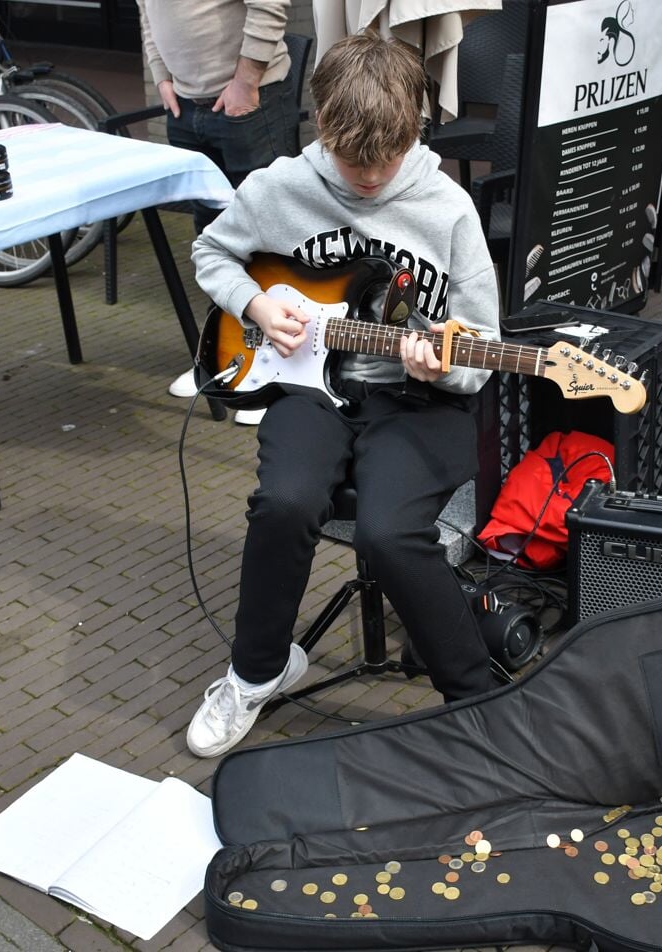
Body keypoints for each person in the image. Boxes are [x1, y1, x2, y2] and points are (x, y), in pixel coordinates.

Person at [186, 30, 502, 758]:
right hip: (310, 387)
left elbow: (480, 345)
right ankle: (256, 672)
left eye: (386, 159)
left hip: (418, 403)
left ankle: (477, 704)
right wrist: (257, 308)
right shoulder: (278, 188)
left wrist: (440, 366)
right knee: (283, 503)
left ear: (414, 131)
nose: (369, 176)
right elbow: (212, 251)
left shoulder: (447, 209)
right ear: (322, 127)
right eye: (352, 159)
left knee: (388, 533)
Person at [133, 0, 301, 402]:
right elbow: (147, 13)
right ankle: (223, 358)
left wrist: (246, 81)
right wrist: (161, 78)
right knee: (211, 239)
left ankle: (285, 377)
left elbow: (270, 4)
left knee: (271, 236)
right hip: (185, 106)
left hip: (250, 100)